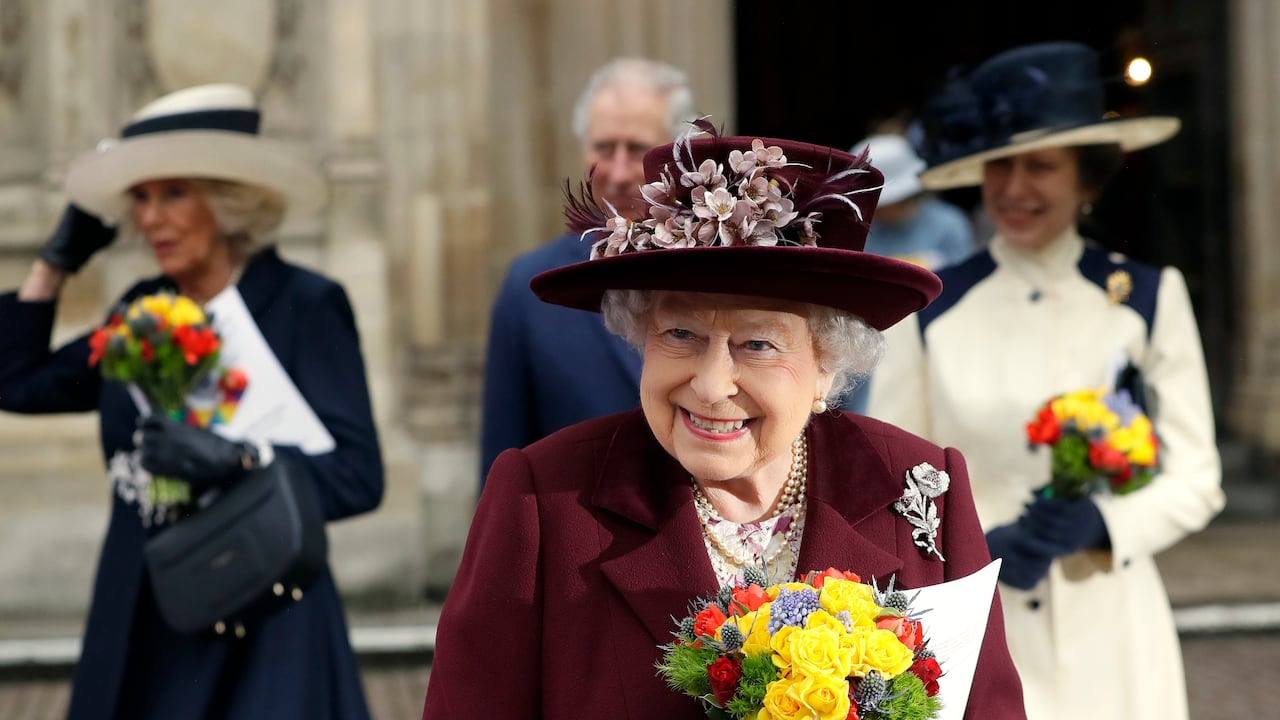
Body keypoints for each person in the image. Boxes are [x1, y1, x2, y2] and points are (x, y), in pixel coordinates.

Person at [423, 131, 1026, 717]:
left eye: (758, 344)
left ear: (826, 367)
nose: (712, 385)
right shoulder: (545, 498)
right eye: (681, 334)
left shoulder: (919, 486)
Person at [0, 83, 383, 718]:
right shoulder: (140, 316)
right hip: (146, 618)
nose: (150, 219)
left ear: (231, 202)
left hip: (267, 617)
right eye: (141, 199)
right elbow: (15, 381)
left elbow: (359, 476)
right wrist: (53, 265)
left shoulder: (305, 306)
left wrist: (240, 460)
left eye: (174, 194)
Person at [866, 42, 1225, 720]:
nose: (1014, 188)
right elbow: (894, 481)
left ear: (1087, 179)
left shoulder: (1146, 297)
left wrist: (1104, 523)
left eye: (1041, 166)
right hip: (978, 624)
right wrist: (970, 547)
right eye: (1000, 165)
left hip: (1112, 630)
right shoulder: (932, 307)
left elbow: (1198, 478)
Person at [479, 57, 696, 486]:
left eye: (637, 150)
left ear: (680, 154)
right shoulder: (531, 286)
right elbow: (501, 462)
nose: (616, 172)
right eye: (603, 149)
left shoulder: (726, 273)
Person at [843, 133, 977, 414]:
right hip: (870, 346)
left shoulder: (948, 225)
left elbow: (968, 294)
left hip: (935, 342)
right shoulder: (858, 231)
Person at [854, 133, 975, 271]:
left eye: (876, 202)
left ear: (901, 197)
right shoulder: (860, 234)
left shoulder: (949, 224)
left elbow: (965, 277)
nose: (872, 209)